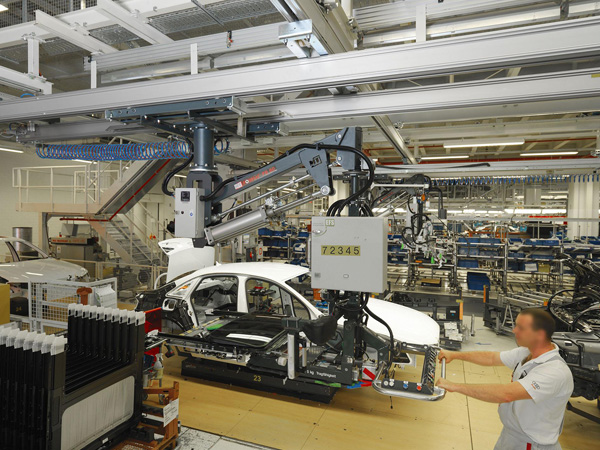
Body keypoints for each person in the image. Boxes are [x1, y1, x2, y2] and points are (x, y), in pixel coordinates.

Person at [436, 308, 574, 450]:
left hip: (531, 444)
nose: (514, 331)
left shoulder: (554, 371)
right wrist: (455, 355)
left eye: (521, 328)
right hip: (512, 434)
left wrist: (455, 386)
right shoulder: (528, 352)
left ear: (539, 334)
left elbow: (505, 394)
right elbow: (491, 358)